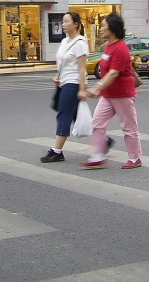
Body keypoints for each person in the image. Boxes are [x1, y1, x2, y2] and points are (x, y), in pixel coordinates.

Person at [82, 13, 143, 169]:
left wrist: (97, 87)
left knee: (129, 127)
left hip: (122, 93)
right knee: (97, 123)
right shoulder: (108, 46)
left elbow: (114, 72)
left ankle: (135, 158)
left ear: (113, 28)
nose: (101, 29)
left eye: (103, 26)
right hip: (108, 94)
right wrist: (101, 88)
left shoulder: (120, 48)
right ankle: (98, 155)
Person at [40, 11, 90, 163]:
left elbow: (82, 68)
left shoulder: (80, 42)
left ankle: (57, 151)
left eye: (67, 21)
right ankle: (104, 140)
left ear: (76, 24)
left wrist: (82, 89)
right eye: (62, 21)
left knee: (63, 115)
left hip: (73, 83)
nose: (63, 24)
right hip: (63, 82)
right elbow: (62, 62)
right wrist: (58, 75)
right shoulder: (64, 41)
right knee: (75, 115)